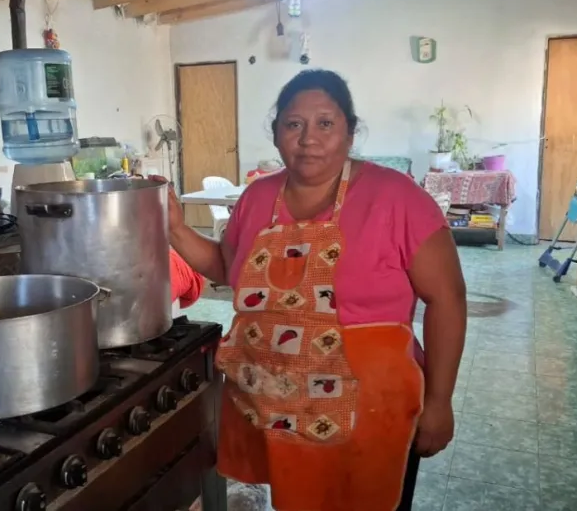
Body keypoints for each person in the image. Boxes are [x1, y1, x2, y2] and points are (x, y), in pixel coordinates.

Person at [159, 69, 467, 511]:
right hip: (276, 401)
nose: (308, 139)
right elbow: (229, 267)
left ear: (350, 131)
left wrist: (439, 402)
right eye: (293, 124)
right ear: (276, 132)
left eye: (325, 123)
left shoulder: (396, 197)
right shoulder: (258, 197)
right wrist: (174, 228)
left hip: (369, 406)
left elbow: (448, 300)